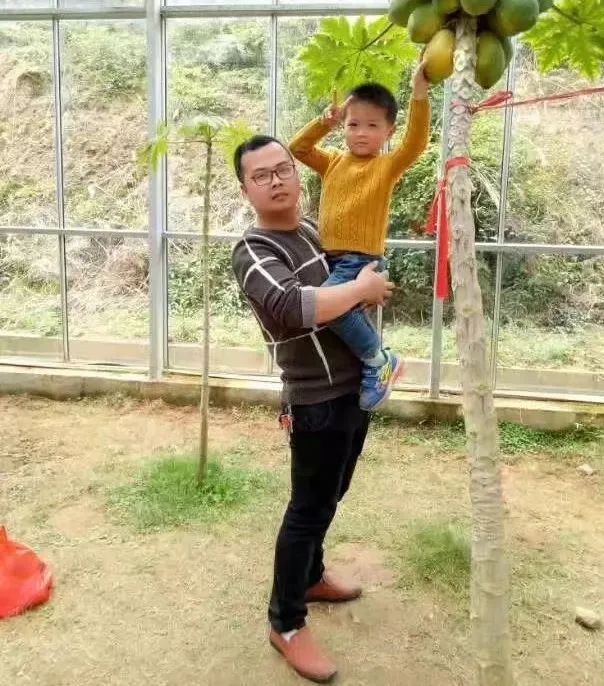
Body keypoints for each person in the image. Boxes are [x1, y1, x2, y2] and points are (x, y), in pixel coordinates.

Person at [231, 134, 394, 683]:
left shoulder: (312, 231)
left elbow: (354, 284)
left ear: (297, 174)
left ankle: (312, 576)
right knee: (307, 508)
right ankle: (286, 622)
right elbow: (291, 306)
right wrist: (359, 290)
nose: (276, 180)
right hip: (314, 398)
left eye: (283, 168)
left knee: (333, 493)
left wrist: (370, 288)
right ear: (246, 189)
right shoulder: (253, 249)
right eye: (261, 175)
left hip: (355, 388)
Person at [289, 61, 431, 412]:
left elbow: (416, 143)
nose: (361, 133)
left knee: (326, 308)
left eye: (372, 125)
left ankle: (379, 361)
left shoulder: (386, 166)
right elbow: (298, 148)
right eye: (353, 124)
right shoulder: (333, 162)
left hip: (360, 260)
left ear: (389, 131)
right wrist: (325, 121)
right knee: (335, 313)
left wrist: (420, 91)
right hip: (333, 259)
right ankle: (368, 367)